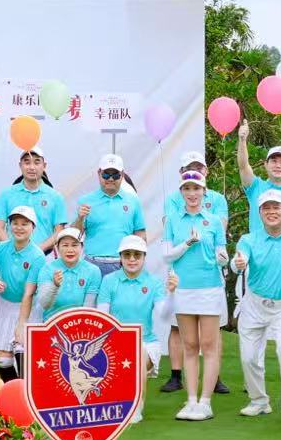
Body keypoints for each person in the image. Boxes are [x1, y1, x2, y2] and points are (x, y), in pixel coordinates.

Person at [232, 192, 281, 425]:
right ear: (260, 213)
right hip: (254, 304)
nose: (271, 212)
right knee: (249, 357)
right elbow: (238, 262)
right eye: (266, 208)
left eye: (276, 207)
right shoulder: (248, 240)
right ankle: (259, 401)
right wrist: (238, 263)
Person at [163, 153, 230, 396]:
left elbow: (221, 252)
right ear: (181, 191)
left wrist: (223, 258)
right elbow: (167, 256)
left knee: (209, 344)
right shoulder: (173, 219)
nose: (192, 193)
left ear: (204, 190)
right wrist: (187, 244)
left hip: (210, 287)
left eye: (196, 188)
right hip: (182, 288)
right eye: (187, 189)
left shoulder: (213, 220)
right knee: (190, 344)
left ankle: (206, 400)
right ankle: (191, 399)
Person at [100, 236, 172, 420]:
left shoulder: (154, 282)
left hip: (146, 343)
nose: (132, 259)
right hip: (114, 342)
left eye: (137, 255)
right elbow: (102, 316)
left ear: (144, 257)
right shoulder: (109, 281)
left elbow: (164, 314)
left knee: (137, 354)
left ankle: (135, 408)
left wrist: (172, 294)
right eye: (127, 255)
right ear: (120, 257)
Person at [0, 207, 47, 376]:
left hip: (27, 309)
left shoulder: (37, 256)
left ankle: (26, 391)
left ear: (33, 227)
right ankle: (10, 392)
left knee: (24, 359)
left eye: (24, 224)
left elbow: (28, 294)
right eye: (15, 223)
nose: (19, 227)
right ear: (9, 225)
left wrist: (21, 324)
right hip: (3, 306)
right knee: (3, 361)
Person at [78, 155, 146, 277]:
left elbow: (140, 234)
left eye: (115, 175)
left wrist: (137, 261)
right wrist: (80, 218)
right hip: (92, 264)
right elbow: (75, 235)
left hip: (123, 263)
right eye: (106, 174)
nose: (110, 179)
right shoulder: (85, 201)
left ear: (122, 175)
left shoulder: (133, 201)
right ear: (99, 173)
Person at [0, 147, 67, 250]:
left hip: (44, 256)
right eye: (27, 162)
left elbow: (59, 231)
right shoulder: (7, 194)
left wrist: (37, 251)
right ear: (20, 165)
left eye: (37, 162)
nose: (32, 167)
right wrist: (12, 249)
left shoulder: (56, 197)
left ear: (44, 166)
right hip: (12, 254)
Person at [35, 227, 99, 316]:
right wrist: (54, 286)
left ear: (82, 247)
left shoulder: (93, 271)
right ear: (57, 248)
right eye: (65, 245)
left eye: (74, 245)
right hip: (52, 321)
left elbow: (88, 307)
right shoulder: (47, 269)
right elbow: (44, 305)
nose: (70, 250)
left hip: (81, 321)